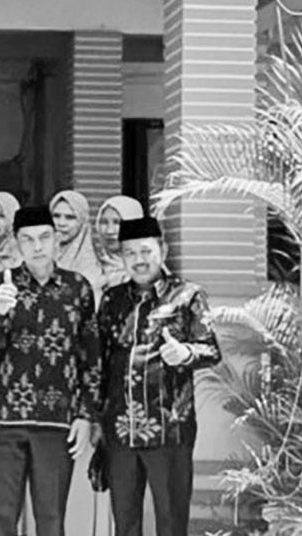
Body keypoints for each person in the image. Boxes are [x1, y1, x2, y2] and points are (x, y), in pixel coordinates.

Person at [0, 205, 100, 536]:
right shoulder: (2, 284)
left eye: (44, 237)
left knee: (51, 518)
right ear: (17, 242)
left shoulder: (78, 288)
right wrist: (1, 311)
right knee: (1, 518)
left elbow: (90, 357)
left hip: (56, 423)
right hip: (4, 420)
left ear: (56, 239)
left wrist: (86, 415)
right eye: (28, 239)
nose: (37, 246)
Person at [92, 216, 221, 536]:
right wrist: (95, 418)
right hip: (120, 432)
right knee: (124, 523)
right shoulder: (112, 300)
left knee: (171, 522)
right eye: (130, 253)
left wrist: (185, 353)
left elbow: (211, 350)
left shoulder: (188, 295)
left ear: (162, 250)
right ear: (122, 257)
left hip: (170, 429)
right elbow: (100, 363)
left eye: (145, 251)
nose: (139, 259)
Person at [47, 190, 103, 294]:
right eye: (56, 216)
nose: (61, 223)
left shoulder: (91, 267)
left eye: (70, 217)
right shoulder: (39, 255)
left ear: (82, 221)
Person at [92, 196, 144, 289]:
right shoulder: (92, 268)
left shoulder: (149, 271)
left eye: (117, 222)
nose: (110, 231)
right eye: (104, 222)